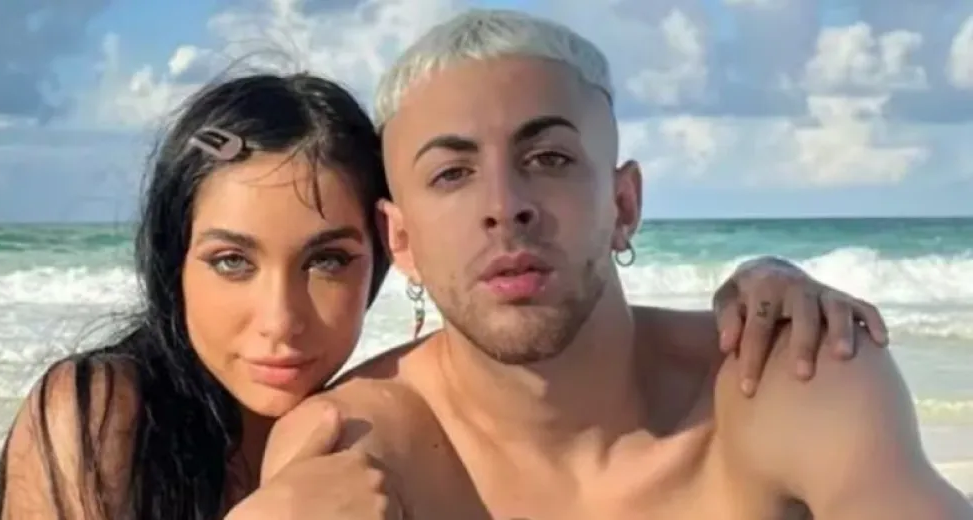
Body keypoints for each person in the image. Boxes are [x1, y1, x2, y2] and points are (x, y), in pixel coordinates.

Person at [0, 68, 887, 520]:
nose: (281, 321)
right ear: (172, 263)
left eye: (328, 261)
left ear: (391, 253)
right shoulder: (102, 416)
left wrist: (771, 275)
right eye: (231, 262)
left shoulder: (376, 429)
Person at [256, 9, 973, 520]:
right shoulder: (352, 452)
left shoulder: (789, 375)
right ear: (401, 240)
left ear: (624, 202)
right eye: (452, 174)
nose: (505, 206)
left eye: (549, 158)